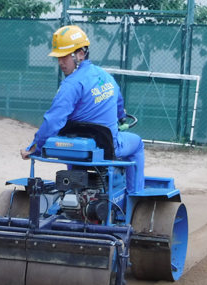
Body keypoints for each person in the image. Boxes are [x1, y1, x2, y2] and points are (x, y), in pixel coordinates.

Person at [20, 25, 145, 194]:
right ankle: (135, 196)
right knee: (137, 144)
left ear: (80, 54)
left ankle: (74, 190)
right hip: (108, 147)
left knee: (74, 146)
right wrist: (121, 118)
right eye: (58, 57)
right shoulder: (107, 77)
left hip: (74, 148)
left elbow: (53, 121)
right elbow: (119, 105)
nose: (60, 62)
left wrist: (35, 147)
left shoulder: (70, 85)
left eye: (65, 56)